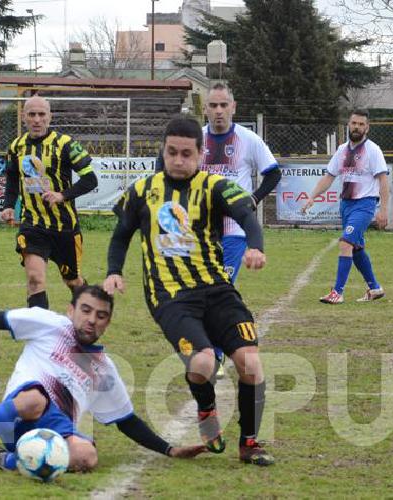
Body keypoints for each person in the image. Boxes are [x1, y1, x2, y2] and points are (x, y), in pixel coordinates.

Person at [0, 285, 208, 477]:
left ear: (108, 322)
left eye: (100, 315)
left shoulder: (105, 369)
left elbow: (126, 420)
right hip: (17, 413)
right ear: (71, 310)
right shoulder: (49, 324)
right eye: (85, 310)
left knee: (87, 457)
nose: (91, 319)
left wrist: (169, 450)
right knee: (33, 399)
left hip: (57, 432)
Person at [103, 115, 275, 466]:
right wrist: (114, 272)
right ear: (163, 152)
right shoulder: (141, 190)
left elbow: (247, 218)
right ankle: (207, 408)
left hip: (217, 289)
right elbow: (121, 235)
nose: (178, 161)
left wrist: (255, 246)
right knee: (203, 362)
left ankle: (250, 443)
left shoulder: (214, 186)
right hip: (170, 296)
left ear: (200, 154)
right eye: (172, 153)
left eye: (186, 154)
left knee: (250, 363)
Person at [156, 82, 282, 378]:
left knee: (221, 284)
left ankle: (216, 353)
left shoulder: (248, 139)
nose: (218, 111)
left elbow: (273, 173)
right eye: (213, 105)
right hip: (198, 232)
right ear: (206, 109)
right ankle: (207, 348)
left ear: (233, 107)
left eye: (224, 105)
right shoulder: (196, 139)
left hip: (235, 230)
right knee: (198, 288)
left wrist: (253, 199)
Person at [0, 95, 99, 310]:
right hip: (33, 225)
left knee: (72, 281)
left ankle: (91, 308)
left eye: (41, 114)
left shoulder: (65, 144)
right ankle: (41, 334)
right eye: (32, 114)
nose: (37, 119)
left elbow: (91, 180)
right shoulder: (16, 147)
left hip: (64, 226)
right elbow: (12, 179)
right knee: (35, 280)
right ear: (23, 117)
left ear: (49, 117)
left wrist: (62, 195)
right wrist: (8, 205)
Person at [300, 109, 390, 304]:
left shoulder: (373, 150)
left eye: (360, 124)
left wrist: (383, 210)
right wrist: (311, 197)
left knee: (345, 243)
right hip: (346, 205)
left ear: (367, 127)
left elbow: (383, 180)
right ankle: (374, 288)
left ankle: (337, 292)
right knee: (356, 248)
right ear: (348, 125)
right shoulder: (342, 150)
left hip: (364, 205)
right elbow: (329, 177)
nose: (356, 127)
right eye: (353, 123)